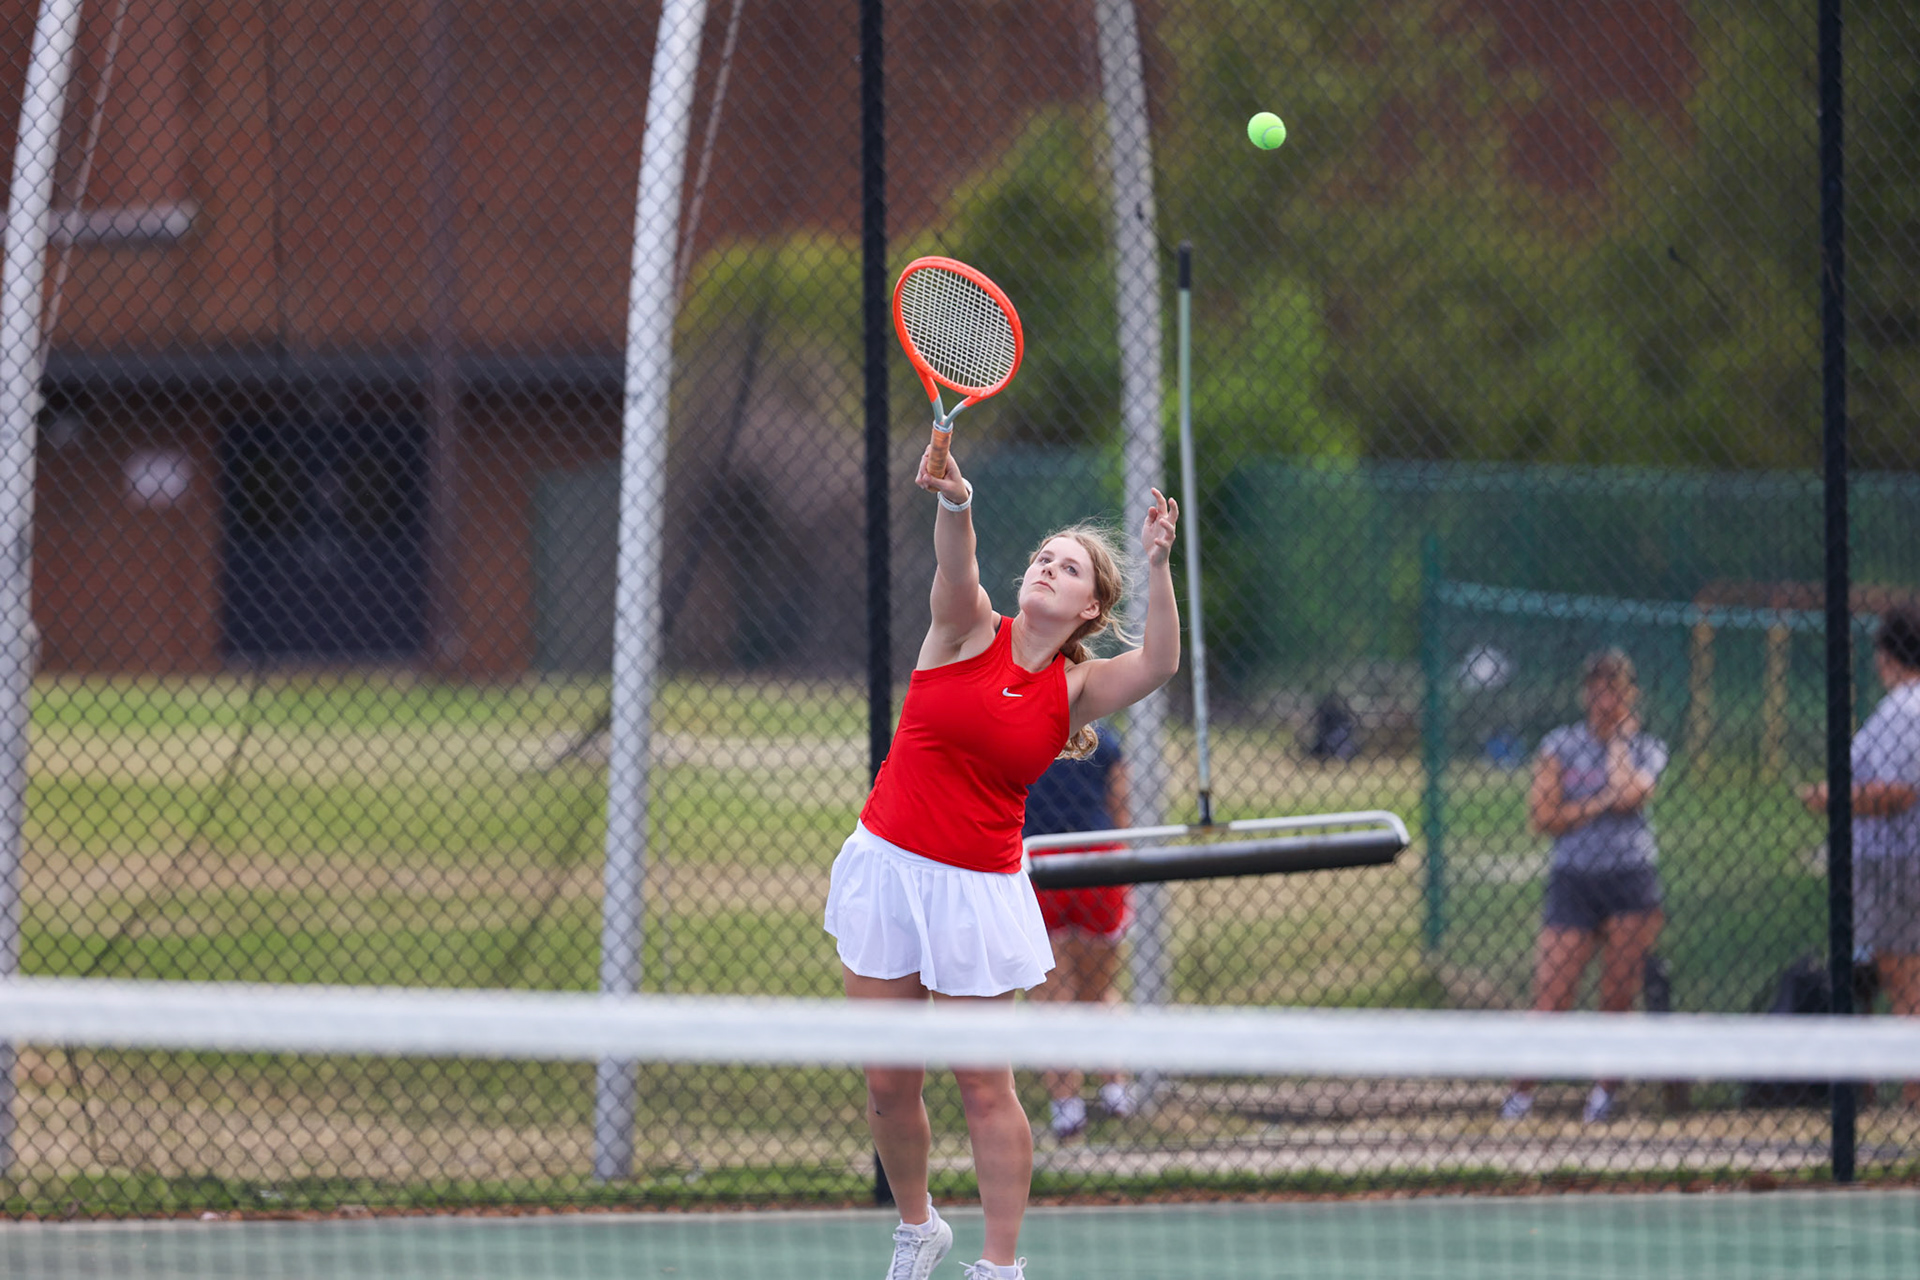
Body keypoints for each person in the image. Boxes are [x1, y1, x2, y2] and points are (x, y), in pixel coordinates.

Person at [823, 443, 1180, 1280]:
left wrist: (1158, 564)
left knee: (985, 1088)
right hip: (887, 869)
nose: (1049, 569)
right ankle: (918, 1231)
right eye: (1044, 558)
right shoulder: (964, 626)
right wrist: (957, 501)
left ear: (1092, 608)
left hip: (976, 895)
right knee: (886, 1083)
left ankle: (999, 1266)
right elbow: (958, 565)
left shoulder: (1075, 689)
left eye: (1069, 568)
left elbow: (1160, 663)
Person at [1501, 648, 1668, 1125]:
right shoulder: (1559, 745)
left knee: (1617, 996)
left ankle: (1603, 1096)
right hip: (1574, 880)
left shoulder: (1647, 747)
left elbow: (1632, 793)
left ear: (1630, 695)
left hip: (1630, 880)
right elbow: (1543, 816)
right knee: (1552, 996)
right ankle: (1519, 1096)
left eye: (1614, 689)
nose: (1603, 698)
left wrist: (1617, 744)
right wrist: (1598, 803)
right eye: (1596, 688)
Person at [1798, 603, 1920, 1107]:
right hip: (1899, 862)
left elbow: (1897, 791)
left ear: (1886, 654)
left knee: (1906, 986)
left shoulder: (1902, 708)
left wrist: (1830, 797)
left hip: (1896, 864)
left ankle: (1915, 1100)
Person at [1023, 721, 1134, 1140]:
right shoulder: (1104, 739)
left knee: (1053, 996)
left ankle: (1067, 1108)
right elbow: (1120, 806)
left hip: (1038, 863)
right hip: (1098, 863)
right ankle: (1114, 1090)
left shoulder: (1021, 732)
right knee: (1099, 990)